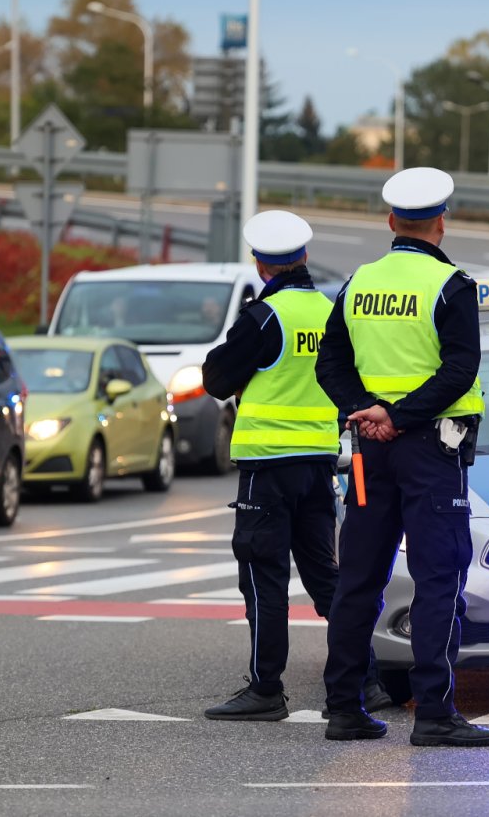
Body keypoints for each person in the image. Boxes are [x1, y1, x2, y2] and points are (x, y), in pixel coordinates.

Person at [315, 167, 489, 747]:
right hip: (430, 450)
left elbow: (330, 364)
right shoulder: (452, 285)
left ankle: (344, 709)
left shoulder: (358, 282)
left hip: (370, 451)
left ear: (392, 221)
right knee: (438, 579)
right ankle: (435, 714)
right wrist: (398, 415)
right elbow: (459, 369)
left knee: (359, 580)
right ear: (441, 222)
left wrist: (365, 410)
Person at [200, 209, 394, 721]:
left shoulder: (264, 317)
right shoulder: (330, 311)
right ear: (305, 256)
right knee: (327, 579)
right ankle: (368, 681)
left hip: (267, 467)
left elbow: (215, 379)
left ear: (260, 264)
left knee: (263, 578)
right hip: (318, 464)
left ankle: (266, 690)